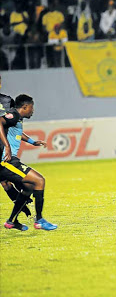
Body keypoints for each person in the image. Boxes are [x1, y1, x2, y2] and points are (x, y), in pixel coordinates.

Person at [0, 94, 56, 231]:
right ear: (25, 107)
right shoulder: (13, 114)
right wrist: (6, 146)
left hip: (10, 161)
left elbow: (17, 133)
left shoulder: (17, 119)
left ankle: (12, 221)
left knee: (29, 187)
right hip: (6, 162)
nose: (33, 111)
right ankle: (39, 220)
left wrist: (33, 142)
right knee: (39, 181)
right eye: (31, 108)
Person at [0, 77, 33, 221]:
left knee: (6, 181)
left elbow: (15, 125)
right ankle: (22, 209)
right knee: (7, 181)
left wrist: (31, 141)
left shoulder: (8, 101)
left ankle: (20, 212)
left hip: (2, 147)